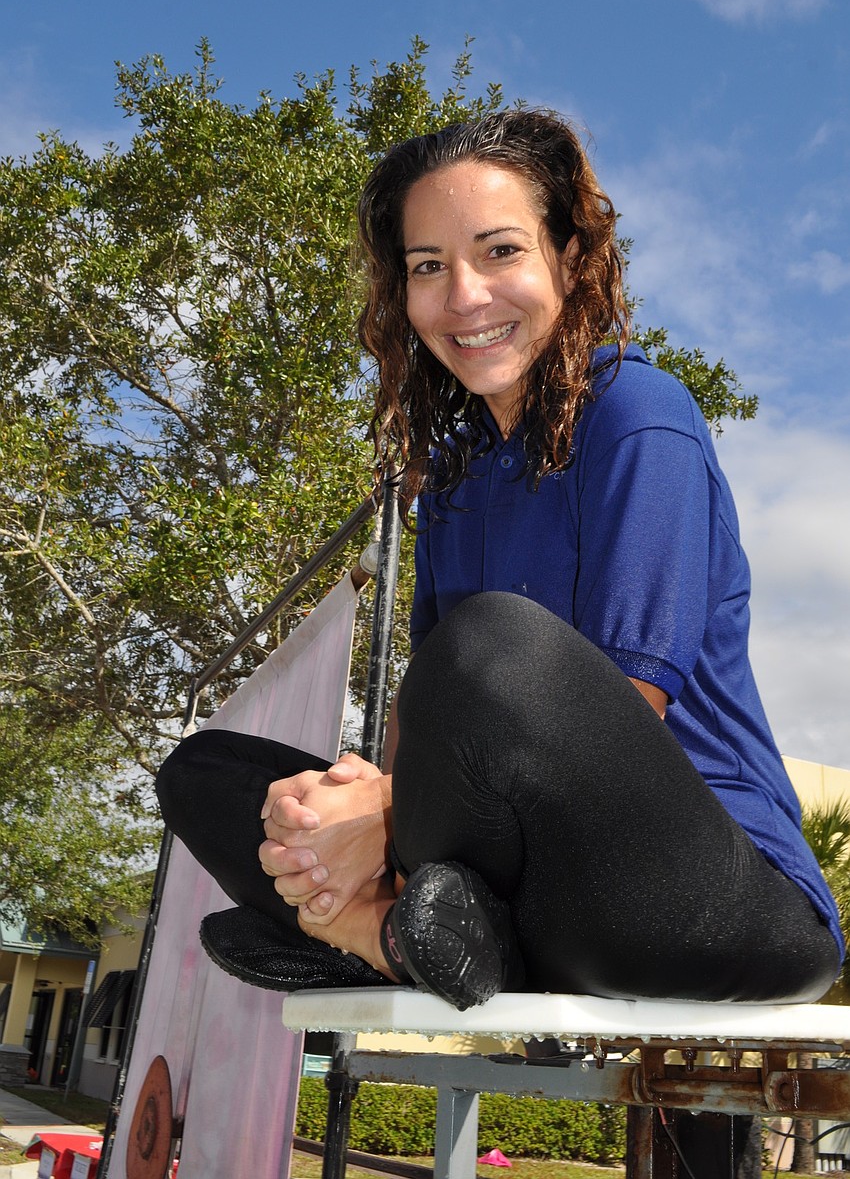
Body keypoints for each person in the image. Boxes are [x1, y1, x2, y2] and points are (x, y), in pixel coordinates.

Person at [156, 109, 842, 1012]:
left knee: (497, 646)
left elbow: (612, 714)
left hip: (716, 902)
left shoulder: (639, 414)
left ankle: (366, 928)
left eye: (500, 251)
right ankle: (421, 931)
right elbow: (419, 719)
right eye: (428, 267)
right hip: (537, 903)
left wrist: (385, 819)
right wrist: (359, 805)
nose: (465, 297)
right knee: (205, 774)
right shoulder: (452, 480)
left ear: (568, 257)